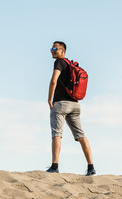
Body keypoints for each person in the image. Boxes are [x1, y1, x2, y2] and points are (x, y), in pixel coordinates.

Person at [46, 41, 96, 176]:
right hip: (75, 105)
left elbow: (53, 80)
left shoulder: (59, 62)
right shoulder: (70, 64)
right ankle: (91, 167)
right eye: (51, 48)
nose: (52, 51)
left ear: (62, 51)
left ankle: (54, 166)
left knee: (56, 134)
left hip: (61, 104)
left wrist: (50, 99)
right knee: (81, 135)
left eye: (55, 49)